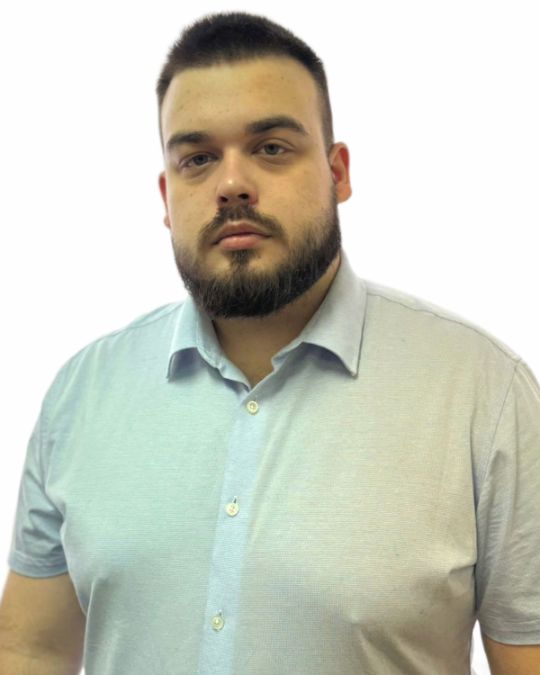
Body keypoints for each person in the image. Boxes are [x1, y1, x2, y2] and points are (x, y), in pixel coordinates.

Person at [1, 11, 539, 675]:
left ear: (338, 172)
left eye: (272, 148)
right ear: (167, 196)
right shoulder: (83, 393)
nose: (231, 184)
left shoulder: (483, 394)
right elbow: (33, 648)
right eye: (198, 159)